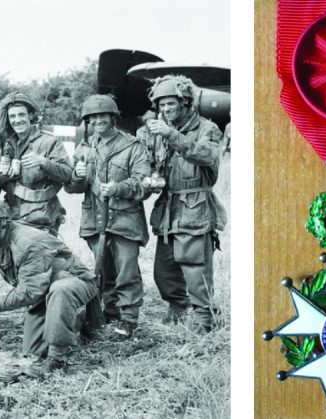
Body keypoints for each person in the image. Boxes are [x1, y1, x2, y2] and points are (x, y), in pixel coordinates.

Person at [0, 198, 97, 375]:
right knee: (33, 353)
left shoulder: (27, 242)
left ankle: (57, 360)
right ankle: (75, 319)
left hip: (73, 282)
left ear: (1, 221)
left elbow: (29, 292)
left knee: (61, 290)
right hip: (43, 291)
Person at [135, 75, 224, 332]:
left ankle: (205, 318)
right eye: (161, 106)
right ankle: (176, 306)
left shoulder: (207, 128)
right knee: (164, 269)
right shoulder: (157, 131)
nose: (165, 110)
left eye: (170, 105)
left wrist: (172, 135)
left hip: (195, 206)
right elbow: (149, 163)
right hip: (168, 206)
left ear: (185, 103)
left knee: (195, 266)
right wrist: (149, 180)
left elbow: (206, 155)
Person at [64, 95, 151, 339]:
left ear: (113, 117)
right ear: (88, 120)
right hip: (95, 218)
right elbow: (70, 188)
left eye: (104, 116)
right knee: (103, 269)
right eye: (93, 117)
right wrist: (77, 177)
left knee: (127, 270)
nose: (99, 120)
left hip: (125, 218)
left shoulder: (132, 146)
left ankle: (129, 318)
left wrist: (119, 188)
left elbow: (144, 183)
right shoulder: (84, 147)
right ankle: (109, 311)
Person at [0, 92, 72, 235]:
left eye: (21, 115)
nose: (17, 120)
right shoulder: (5, 145)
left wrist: (44, 162)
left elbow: (68, 175)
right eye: (12, 116)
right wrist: (2, 174)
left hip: (42, 216)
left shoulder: (49, 142)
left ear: (30, 116)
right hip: (11, 214)